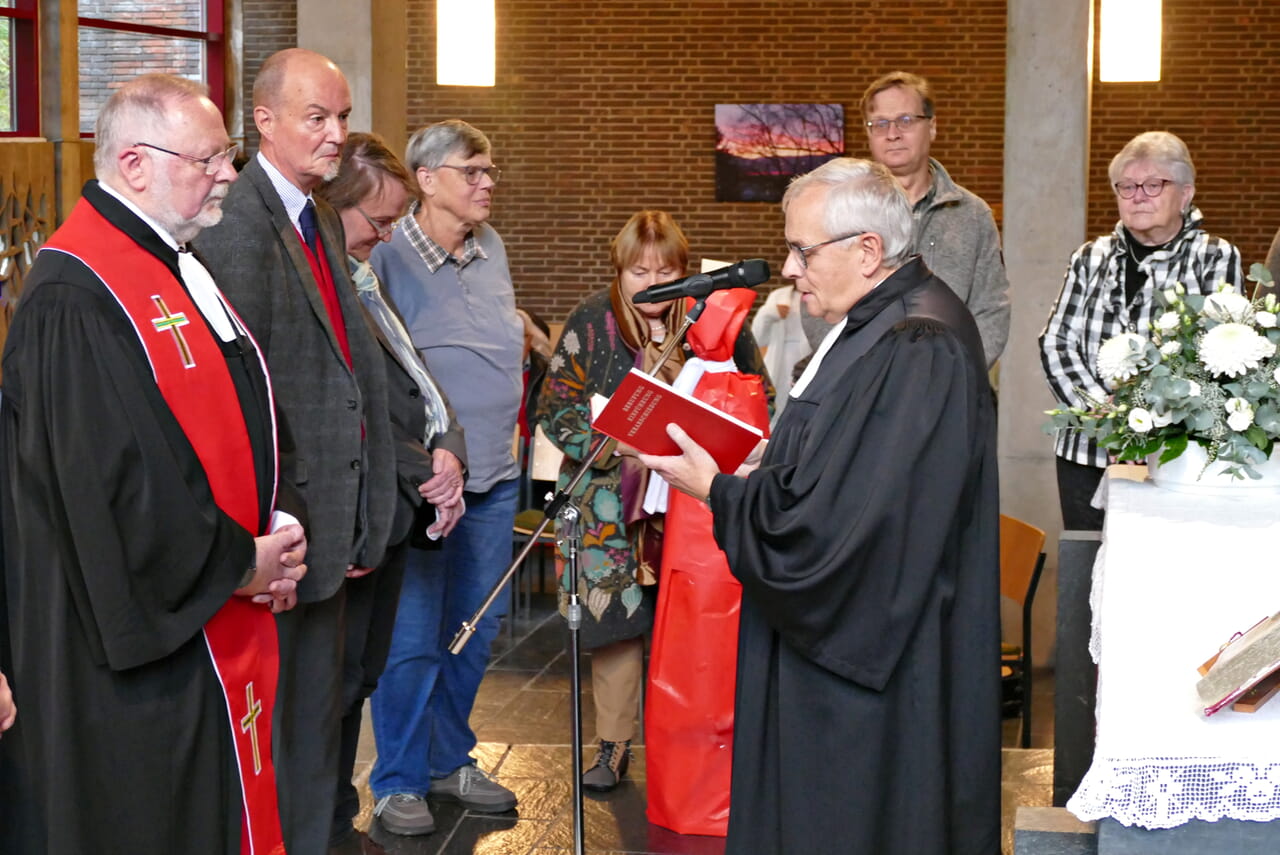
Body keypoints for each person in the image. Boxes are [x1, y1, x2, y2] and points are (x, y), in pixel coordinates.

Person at [639, 157, 1001, 855]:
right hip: (854, 657)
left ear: (868, 251)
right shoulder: (878, 322)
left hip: (875, 671)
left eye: (803, 249)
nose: (789, 266)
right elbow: (846, 470)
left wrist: (715, 488)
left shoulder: (917, 341)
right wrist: (763, 465)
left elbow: (844, 534)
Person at [0, 73, 307, 855]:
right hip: (136, 656)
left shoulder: (179, 263)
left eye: (227, 157)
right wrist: (242, 561)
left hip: (209, 609)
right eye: (209, 159)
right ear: (135, 165)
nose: (229, 176)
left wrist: (282, 517)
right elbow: (115, 491)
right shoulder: (76, 296)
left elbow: (248, 404)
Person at [193, 49, 398, 855]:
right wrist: (282, 523)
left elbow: (347, 371)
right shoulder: (239, 223)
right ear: (265, 121)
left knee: (316, 733)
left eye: (343, 117)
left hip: (331, 529)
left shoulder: (310, 212)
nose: (338, 135)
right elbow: (243, 398)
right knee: (279, 744)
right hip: (284, 534)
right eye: (319, 117)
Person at [536, 210, 770, 792]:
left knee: (695, 622)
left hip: (694, 501)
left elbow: (757, 394)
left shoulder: (715, 323)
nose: (651, 284)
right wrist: (613, 439)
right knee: (615, 623)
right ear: (619, 271)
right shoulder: (591, 320)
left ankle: (694, 743)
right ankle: (613, 747)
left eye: (665, 271)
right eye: (639, 271)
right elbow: (554, 408)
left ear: (684, 273)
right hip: (607, 505)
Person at [314, 131, 469, 850]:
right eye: (375, 221)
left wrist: (450, 449)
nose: (383, 236)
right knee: (344, 680)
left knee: (363, 674)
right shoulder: (323, 282)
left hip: (402, 494)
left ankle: (335, 820)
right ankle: (333, 819)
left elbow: (417, 382)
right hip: (359, 506)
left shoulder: (362, 274)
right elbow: (349, 409)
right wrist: (423, 466)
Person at [368, 119, 522, 835]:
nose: (488, 183)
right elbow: (383, 377)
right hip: (426, 483)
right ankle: (398, 777)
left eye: (490, 170)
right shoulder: (388, 256)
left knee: (477, 626)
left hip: (497, 473)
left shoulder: (491, 248)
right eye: (474, 171)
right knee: (413, 636)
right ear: (427, 180)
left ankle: (448, 755)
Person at [1040, 131, 1242, 530]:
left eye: (1154, 184)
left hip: (1172, 457)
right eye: (1127, 186)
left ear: (1185, 194)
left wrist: (1146, 428)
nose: (1138, 196)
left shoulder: (1214, 256)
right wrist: (1112, 419)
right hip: (1087, 451)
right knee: (1086, 574)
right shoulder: (1089, 257)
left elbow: (1218, 355)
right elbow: (1056, 342)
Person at [861, 71, 1010, 368]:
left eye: (905, 120)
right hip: (860, 384)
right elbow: (818, 302)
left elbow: (992, 309)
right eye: (880, 124)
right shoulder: (844, 211)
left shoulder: (972, 214)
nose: (893, 134)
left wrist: (954, 370)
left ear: (932, 127)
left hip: (949, 382)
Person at [750, 283, 811, 413]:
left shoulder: (818, 296)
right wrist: (769, 313)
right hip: (779, 357)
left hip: (807, 357)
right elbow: (758, 337)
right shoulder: (779, 296)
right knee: (776, 401)